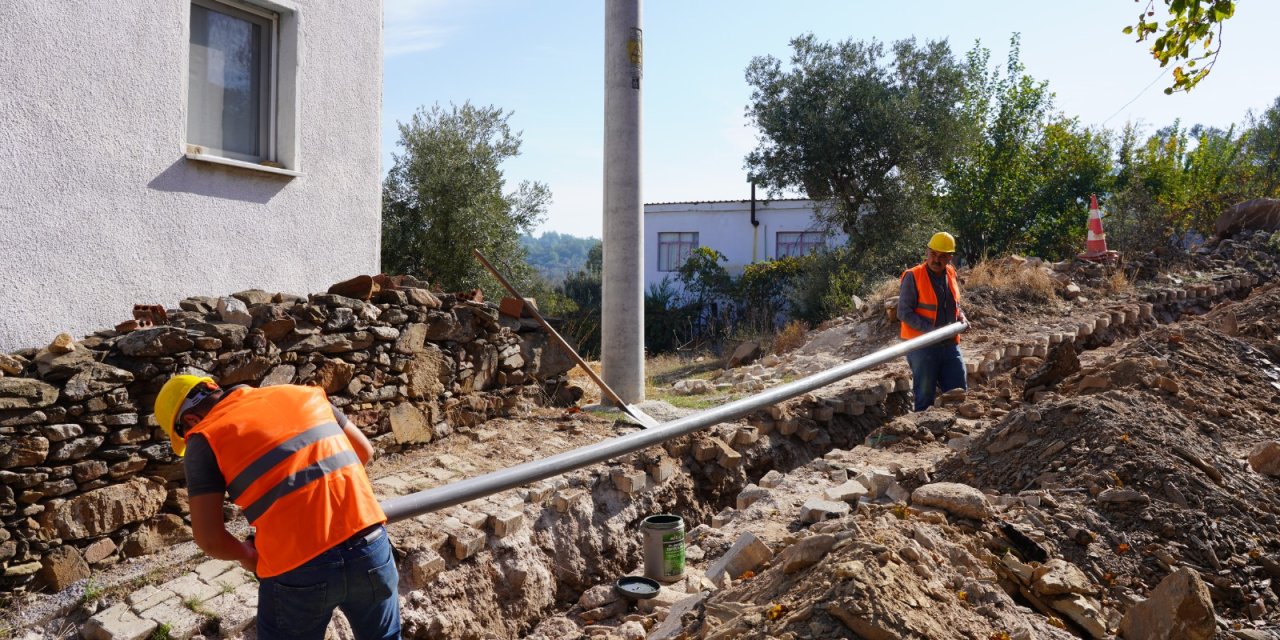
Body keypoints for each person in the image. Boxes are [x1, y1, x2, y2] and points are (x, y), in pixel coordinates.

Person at [154, 375, 400, 640]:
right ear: (213, 387)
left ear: (189, 420)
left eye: (183, 433)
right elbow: (364, 451)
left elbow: (210, 539)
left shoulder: (204, 437)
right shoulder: (304, 393)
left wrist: (248, 555)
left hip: (297, 569)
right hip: (370, 543)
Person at [898, 232, 969, 412]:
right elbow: (904, 312)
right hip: (922, 346)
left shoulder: (951, 273)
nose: (936, 260)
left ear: (950, 258)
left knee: (958, 392)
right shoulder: (913, 276)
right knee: (924, 396)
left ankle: (955, 434)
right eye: (933, 254)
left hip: (949, 344)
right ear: (927, 252)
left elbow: (954, 304)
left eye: (942, 256)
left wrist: (961, 316)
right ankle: (922, 436)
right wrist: (931, 331)